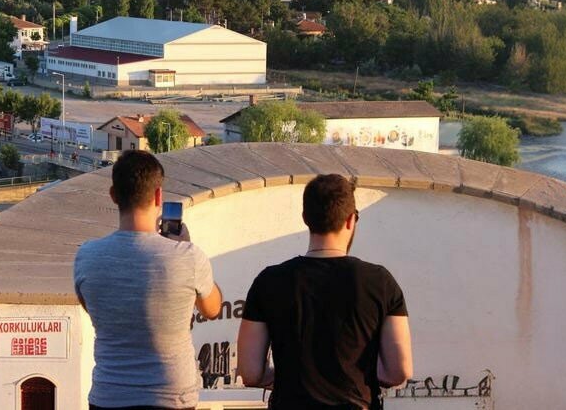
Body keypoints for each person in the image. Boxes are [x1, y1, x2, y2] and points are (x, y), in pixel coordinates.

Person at [237, 174, 413, 409]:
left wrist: (291, 381)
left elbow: (249, 373)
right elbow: (398, 371)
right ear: (351, 220)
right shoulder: (380, 282)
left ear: (305, 218)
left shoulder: (269, 281)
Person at [74, 150, 223, 410]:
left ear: (113, 195)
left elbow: (93, 309)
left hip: (109, 397)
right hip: (172, 397)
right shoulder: (187, 257)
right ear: (158, 196)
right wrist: (184, 249)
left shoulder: (86, 256)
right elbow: (212, 309)